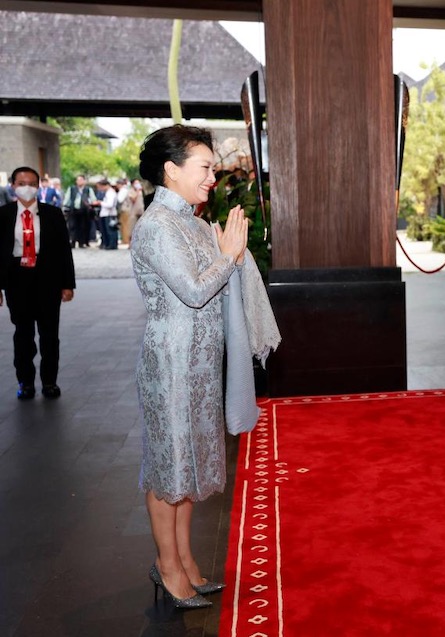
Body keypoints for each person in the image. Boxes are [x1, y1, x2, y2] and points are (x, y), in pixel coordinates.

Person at [131, 124, 249, 609]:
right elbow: (196, 291)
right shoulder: (157, 225)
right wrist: (229, 257)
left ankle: (184, 560)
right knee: (169, 469)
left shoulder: (195, 223)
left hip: (199, 362)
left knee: (187, 467)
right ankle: (167, 565)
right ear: (171, 169)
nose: (212, 178)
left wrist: (229, 256)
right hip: (170, 363)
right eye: (204, 168)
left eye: (213, 169)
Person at [0, 166, 75, 400]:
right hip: (17, 280)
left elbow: (64, 251)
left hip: (47, 279)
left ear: (39, 186)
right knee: (23, 334)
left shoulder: (52, 214)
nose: (27, 187)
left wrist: (67, 284)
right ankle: (25, 382)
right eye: (22, 183)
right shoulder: (3, 215)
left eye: (32, 183)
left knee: (49, 334)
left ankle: (49, 382)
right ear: (13, 185)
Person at [63, 174, 96, 248]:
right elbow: (67, 198)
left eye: (81, 180)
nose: (79, 181)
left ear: (84, 181)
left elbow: (93, 199)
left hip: (84, 210)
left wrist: (91, 204)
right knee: (72, 226)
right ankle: (73, 241)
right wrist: (65, 206)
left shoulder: (88, 189)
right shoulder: (72, 188)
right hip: (73, 210)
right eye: (78, 180)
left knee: (83, 226)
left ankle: (82, 242)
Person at [95, 179, 118, 250]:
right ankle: (108, 244)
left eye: (101, 187)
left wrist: (100, 203)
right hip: (105, 214)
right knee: (106, 230)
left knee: (110, 230)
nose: (100, 189)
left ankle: (112, 244)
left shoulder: (110, 193)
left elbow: (110, 204)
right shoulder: (107, 192)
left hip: (109, 214)